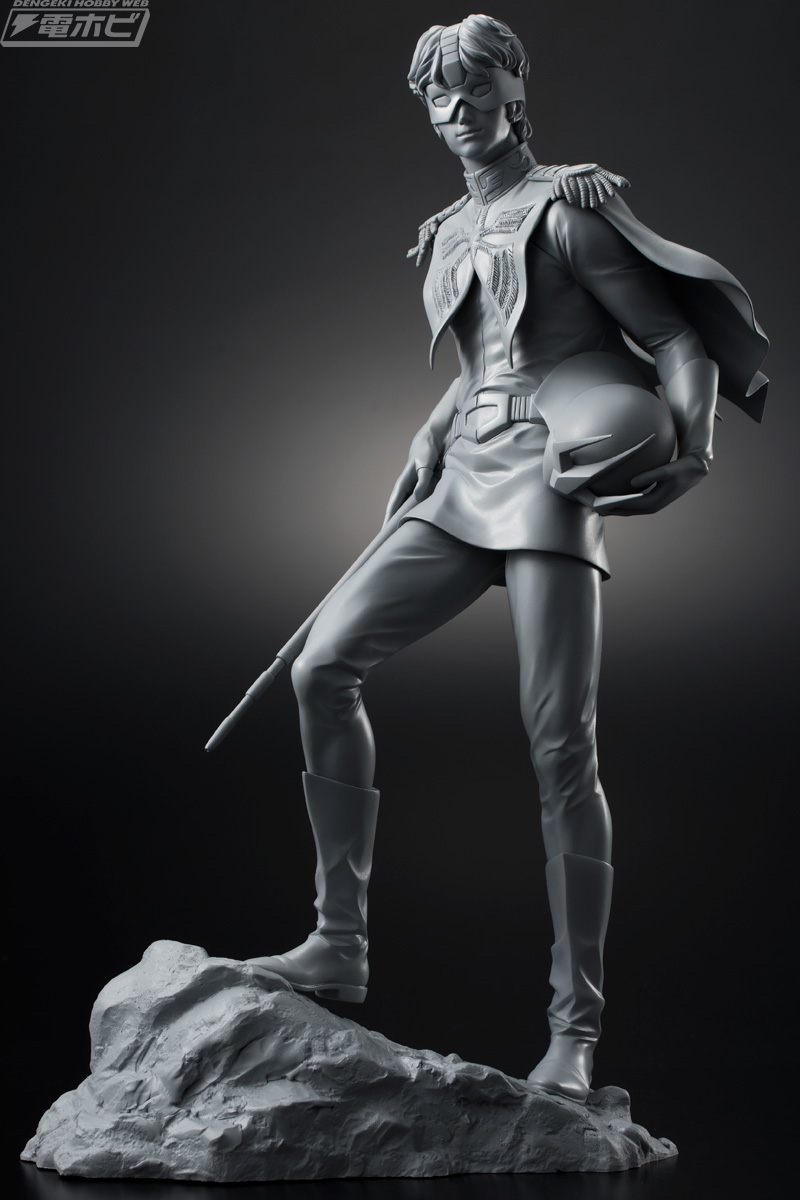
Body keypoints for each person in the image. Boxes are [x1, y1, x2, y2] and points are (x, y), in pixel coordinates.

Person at [248, 14, 767, 1102]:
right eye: (436, 96)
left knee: (559, 747)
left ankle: (574, 1031)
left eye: (473, 89)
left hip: (554, 475)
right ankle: (338, 941)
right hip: (463, 475)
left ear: (512, 93)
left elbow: (671, 337)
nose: (455, 112)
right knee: (321, 666)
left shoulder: (568, 209)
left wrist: (694, 451)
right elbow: (485, 354)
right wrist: (427, 433)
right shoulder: (446, 228)